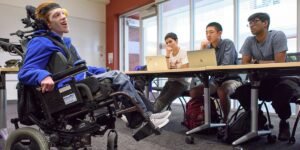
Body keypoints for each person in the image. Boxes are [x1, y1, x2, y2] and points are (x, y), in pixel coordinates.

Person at [18, 1, 171, 129]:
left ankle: (147, 114)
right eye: (56, 15)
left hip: (77, 80)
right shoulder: (41, 42)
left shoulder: (66, 43)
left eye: (63, 13)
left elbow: (80, 67)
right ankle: (145, 118)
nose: (64, 17)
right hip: (65, 89)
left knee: (118, 75)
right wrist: (43, 76)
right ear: (48, 24)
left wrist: (104, 70)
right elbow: (26, 71)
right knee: (118, 77)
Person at [235, 12, 300, 141]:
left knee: (282, 91)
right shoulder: (249, 40)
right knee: (241, 92)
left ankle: (283, 122)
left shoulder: (277, 35)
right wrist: (264, 62)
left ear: (265, 23)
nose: (251, 25)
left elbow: (279, 63)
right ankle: (259, 120)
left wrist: (257, 62)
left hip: (282, 78)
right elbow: (244, 63)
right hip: (262, 81)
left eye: (255, 21)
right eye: (250, 23)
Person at [190, 22, 242, 122]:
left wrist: (210, 69)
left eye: (211, 32)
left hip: (231, 79)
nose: (208, 35)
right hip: (216, 80)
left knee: (222, 91)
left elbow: (226, 65)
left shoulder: (227, 43)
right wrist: (202, 49)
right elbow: (199, 65)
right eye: (206, 33)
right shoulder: (208, 48)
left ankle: (225, 120)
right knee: (194, 92)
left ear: (219, 33)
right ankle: (210, 114)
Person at [153, 32, 190, 113]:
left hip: (181, 83)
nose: (168, 44)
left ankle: (150, 115)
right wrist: (167, 54)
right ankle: (149, 113)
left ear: (176, 41)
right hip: (170, 82)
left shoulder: (184, 52)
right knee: (160, 97)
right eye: (167, 43)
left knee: (164, 99)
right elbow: (166, 68)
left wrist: (175, 67)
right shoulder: (169, 55)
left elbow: (186, 67)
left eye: (170, 41)